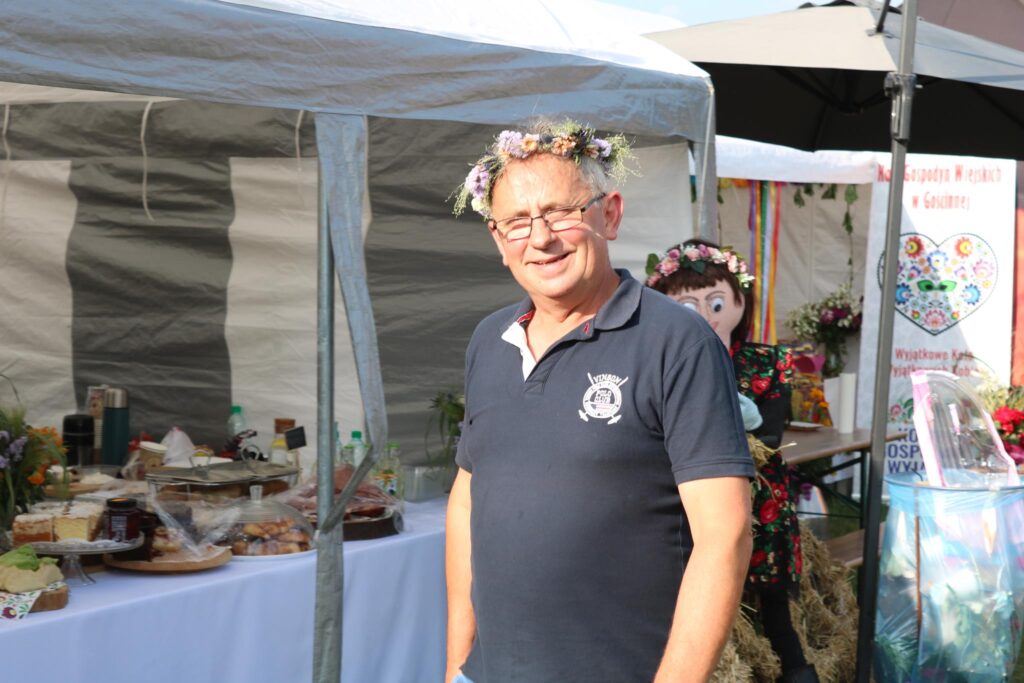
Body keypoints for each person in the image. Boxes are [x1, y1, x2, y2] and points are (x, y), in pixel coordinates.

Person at [445, 120, 755, 683]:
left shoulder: (676, 342)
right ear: (498, 240)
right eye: (517, 222)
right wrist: (457, 666)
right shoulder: (490, 341)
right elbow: (467, 503)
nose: (540, 238)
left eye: (561, 213)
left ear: (609, 215)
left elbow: (724, 536)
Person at [646, 240, 819, 683]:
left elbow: (771, 437)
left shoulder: (768, 362)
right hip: (691, 503)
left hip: (760, 500)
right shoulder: (662, 361)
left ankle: (795, 671)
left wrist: (733, 409)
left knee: (774, 609)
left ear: (741, 301)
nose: (706, 313)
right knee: (696, 601)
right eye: (688, 305)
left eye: (717, 302)